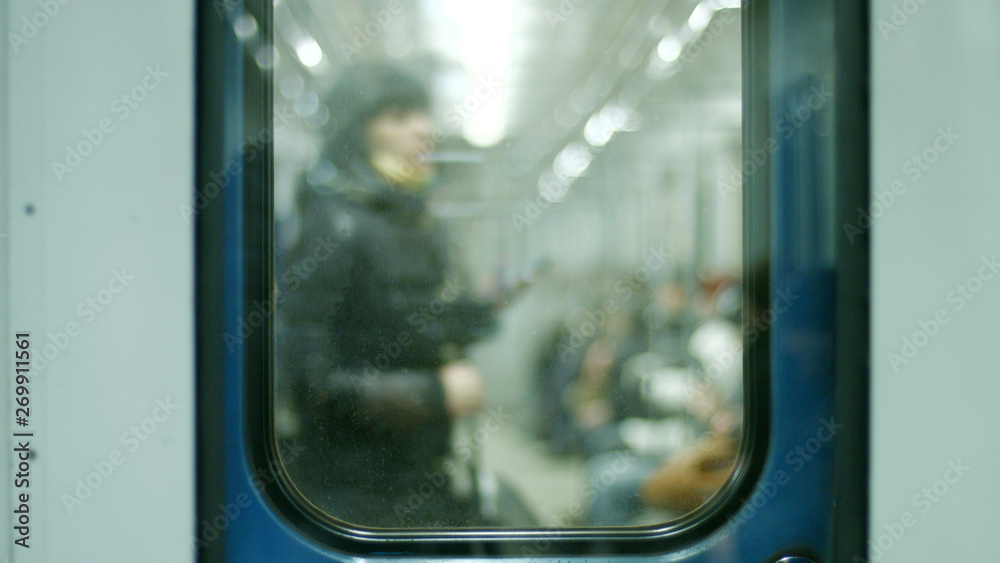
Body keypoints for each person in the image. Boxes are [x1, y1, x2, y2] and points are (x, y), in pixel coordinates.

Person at [276, 63, 496, 528]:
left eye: (422, 114)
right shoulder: (333, 226)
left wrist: (470, 315)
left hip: (414, 475)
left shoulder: (405, 222)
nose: (424, 129)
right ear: (356, 134)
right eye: (398, 118)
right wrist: (433, 394)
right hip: (351, 497)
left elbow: (399, 326)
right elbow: (308, 383)